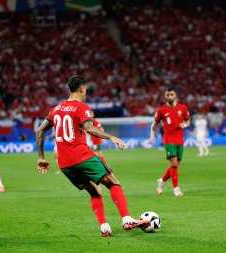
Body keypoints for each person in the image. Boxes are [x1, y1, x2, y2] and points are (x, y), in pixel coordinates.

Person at [36, 75, 149, 237]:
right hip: (81, 156)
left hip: (65, 163)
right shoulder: (82, 108)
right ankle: (127, 219)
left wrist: (41, 157)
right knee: (113, 182)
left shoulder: (56, 109)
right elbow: (89, 128)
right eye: (86, 89)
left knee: (95, 192)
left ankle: (104, 227)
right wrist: (111, 137)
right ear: (82, 89)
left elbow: (39, 131)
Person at [149, 87, 190, 197]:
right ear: (165, 96)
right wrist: (152, 135)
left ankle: (162, 181)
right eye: (168, 95)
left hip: (180, 139)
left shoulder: (183, 108)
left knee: (176, 164)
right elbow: (154, 124)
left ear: (175, 95)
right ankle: (176, 189)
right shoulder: (162, 110)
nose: (170, 97)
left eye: (172, 94)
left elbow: (188, 120)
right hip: (168, 139)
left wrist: (185, 125)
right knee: (174, 162)